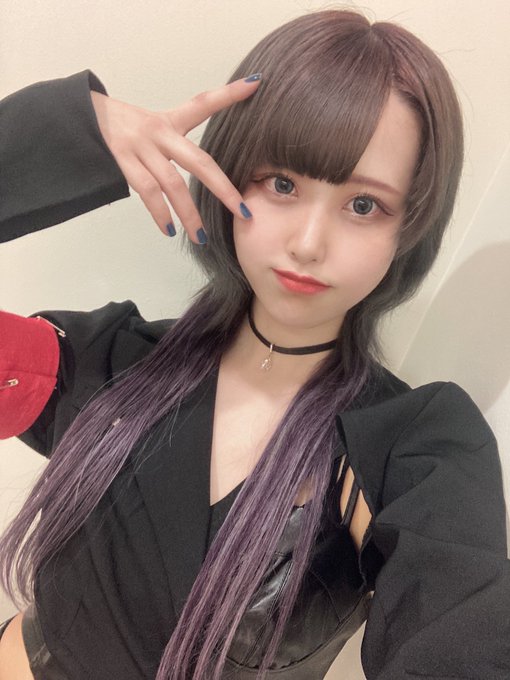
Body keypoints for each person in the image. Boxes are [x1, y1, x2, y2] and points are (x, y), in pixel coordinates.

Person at [0, 8, 509, 680]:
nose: (308, 243)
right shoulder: (108, 357)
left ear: (407, 230)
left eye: (364, 205)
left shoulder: (410, 446)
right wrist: (65, 132)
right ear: (229, 172)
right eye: (284, 184)